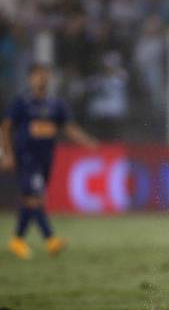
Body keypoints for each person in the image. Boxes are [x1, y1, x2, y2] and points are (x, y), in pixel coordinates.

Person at [1, 64, 98, 259]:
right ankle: (51, 240)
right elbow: (6, 127)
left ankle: (17, 240)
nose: (42, 79)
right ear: (30, 79)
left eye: (45, 75)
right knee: (35, 197)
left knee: (31, 200)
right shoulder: (22, 102)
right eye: (38, 75)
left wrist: (87, 142)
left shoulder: (56, 104)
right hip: (26, 157)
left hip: (46, 158)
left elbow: (68, 127)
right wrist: (7, 154)